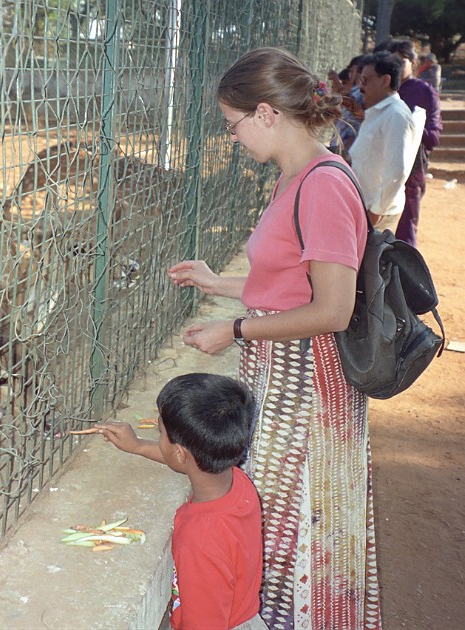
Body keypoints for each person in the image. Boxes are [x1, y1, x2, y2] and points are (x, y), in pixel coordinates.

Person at [167, 48, 380, 629]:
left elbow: (332, 309)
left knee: (300, 526)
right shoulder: (296, 176)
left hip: (309, 390)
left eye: (232, 125)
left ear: (264, 114)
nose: (232, 137)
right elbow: (288, 283)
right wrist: (221, 282)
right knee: (280, 530)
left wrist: (233, 328)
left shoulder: (323, 185)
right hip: (284, 380)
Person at [95, 374, 265, 630]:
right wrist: (138, 446)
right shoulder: (238, 484)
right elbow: (192, 461)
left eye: (161, 433)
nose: (158, 436)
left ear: (179, 452)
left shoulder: (199, 542)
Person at [349, 51, 422, 231]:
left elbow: (397, 169)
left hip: (376, 213)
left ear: (385, 80)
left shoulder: (396, 115)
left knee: (368, 259)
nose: (360, 86)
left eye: (366, 80)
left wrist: (376, 212)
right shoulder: (379, 111)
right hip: (365, 206)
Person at [388, 39, 443, 247]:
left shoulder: (425, 92)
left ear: (413, 62)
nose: (396, 67)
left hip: (410, 175)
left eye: (401, 61)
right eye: (392, 61)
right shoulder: (381, 89)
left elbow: (434, 136)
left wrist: (409, 127)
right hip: (379, 173)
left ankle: (407, 278)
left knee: (405, 234)